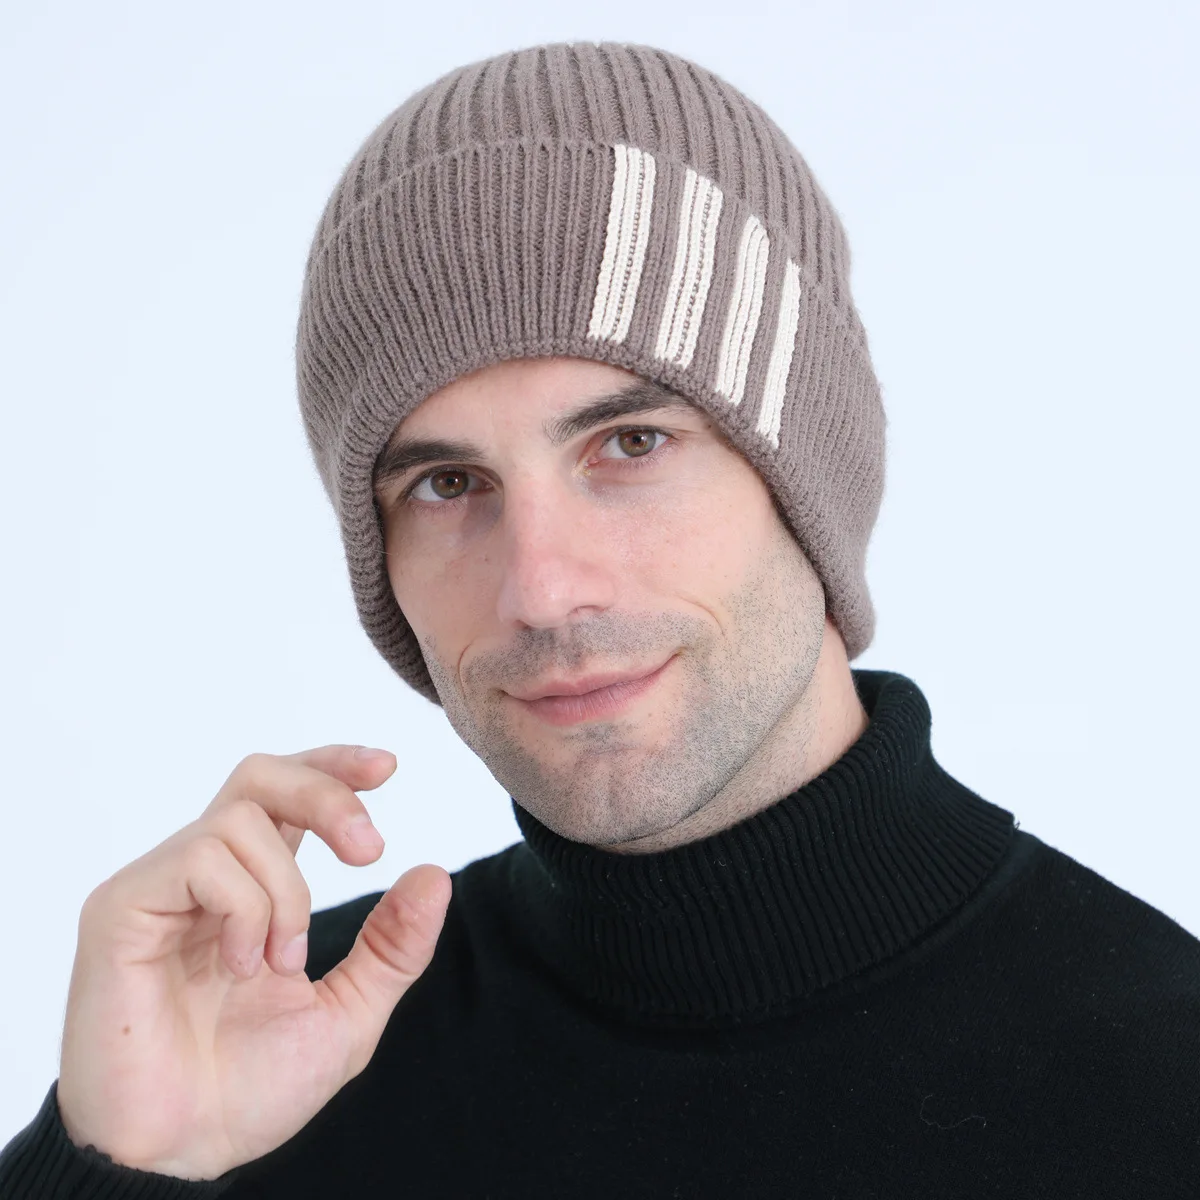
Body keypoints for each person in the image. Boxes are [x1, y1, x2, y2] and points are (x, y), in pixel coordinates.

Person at [2, 40, 1198, 1199]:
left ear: (810, 480)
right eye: (448, 484)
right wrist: (121, 1172)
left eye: (632, 445)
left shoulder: (1160, 1086)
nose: (541, 589)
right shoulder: (270, 1063)